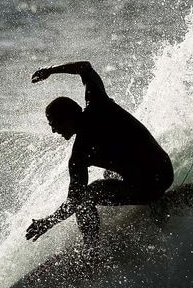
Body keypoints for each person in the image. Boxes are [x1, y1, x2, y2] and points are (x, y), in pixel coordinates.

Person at [26, 61, 173, 248]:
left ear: (68, 117)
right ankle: (157, 200)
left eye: (54, 123)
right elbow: (85, 68)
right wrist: (50, 71)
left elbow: (76, 200)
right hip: (165, 171)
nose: (54, 131)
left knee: (87, 197)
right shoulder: (98, 103)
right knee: (108, 175)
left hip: (151, 183)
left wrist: (48, 222)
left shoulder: (81, 152)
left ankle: (92, 248)